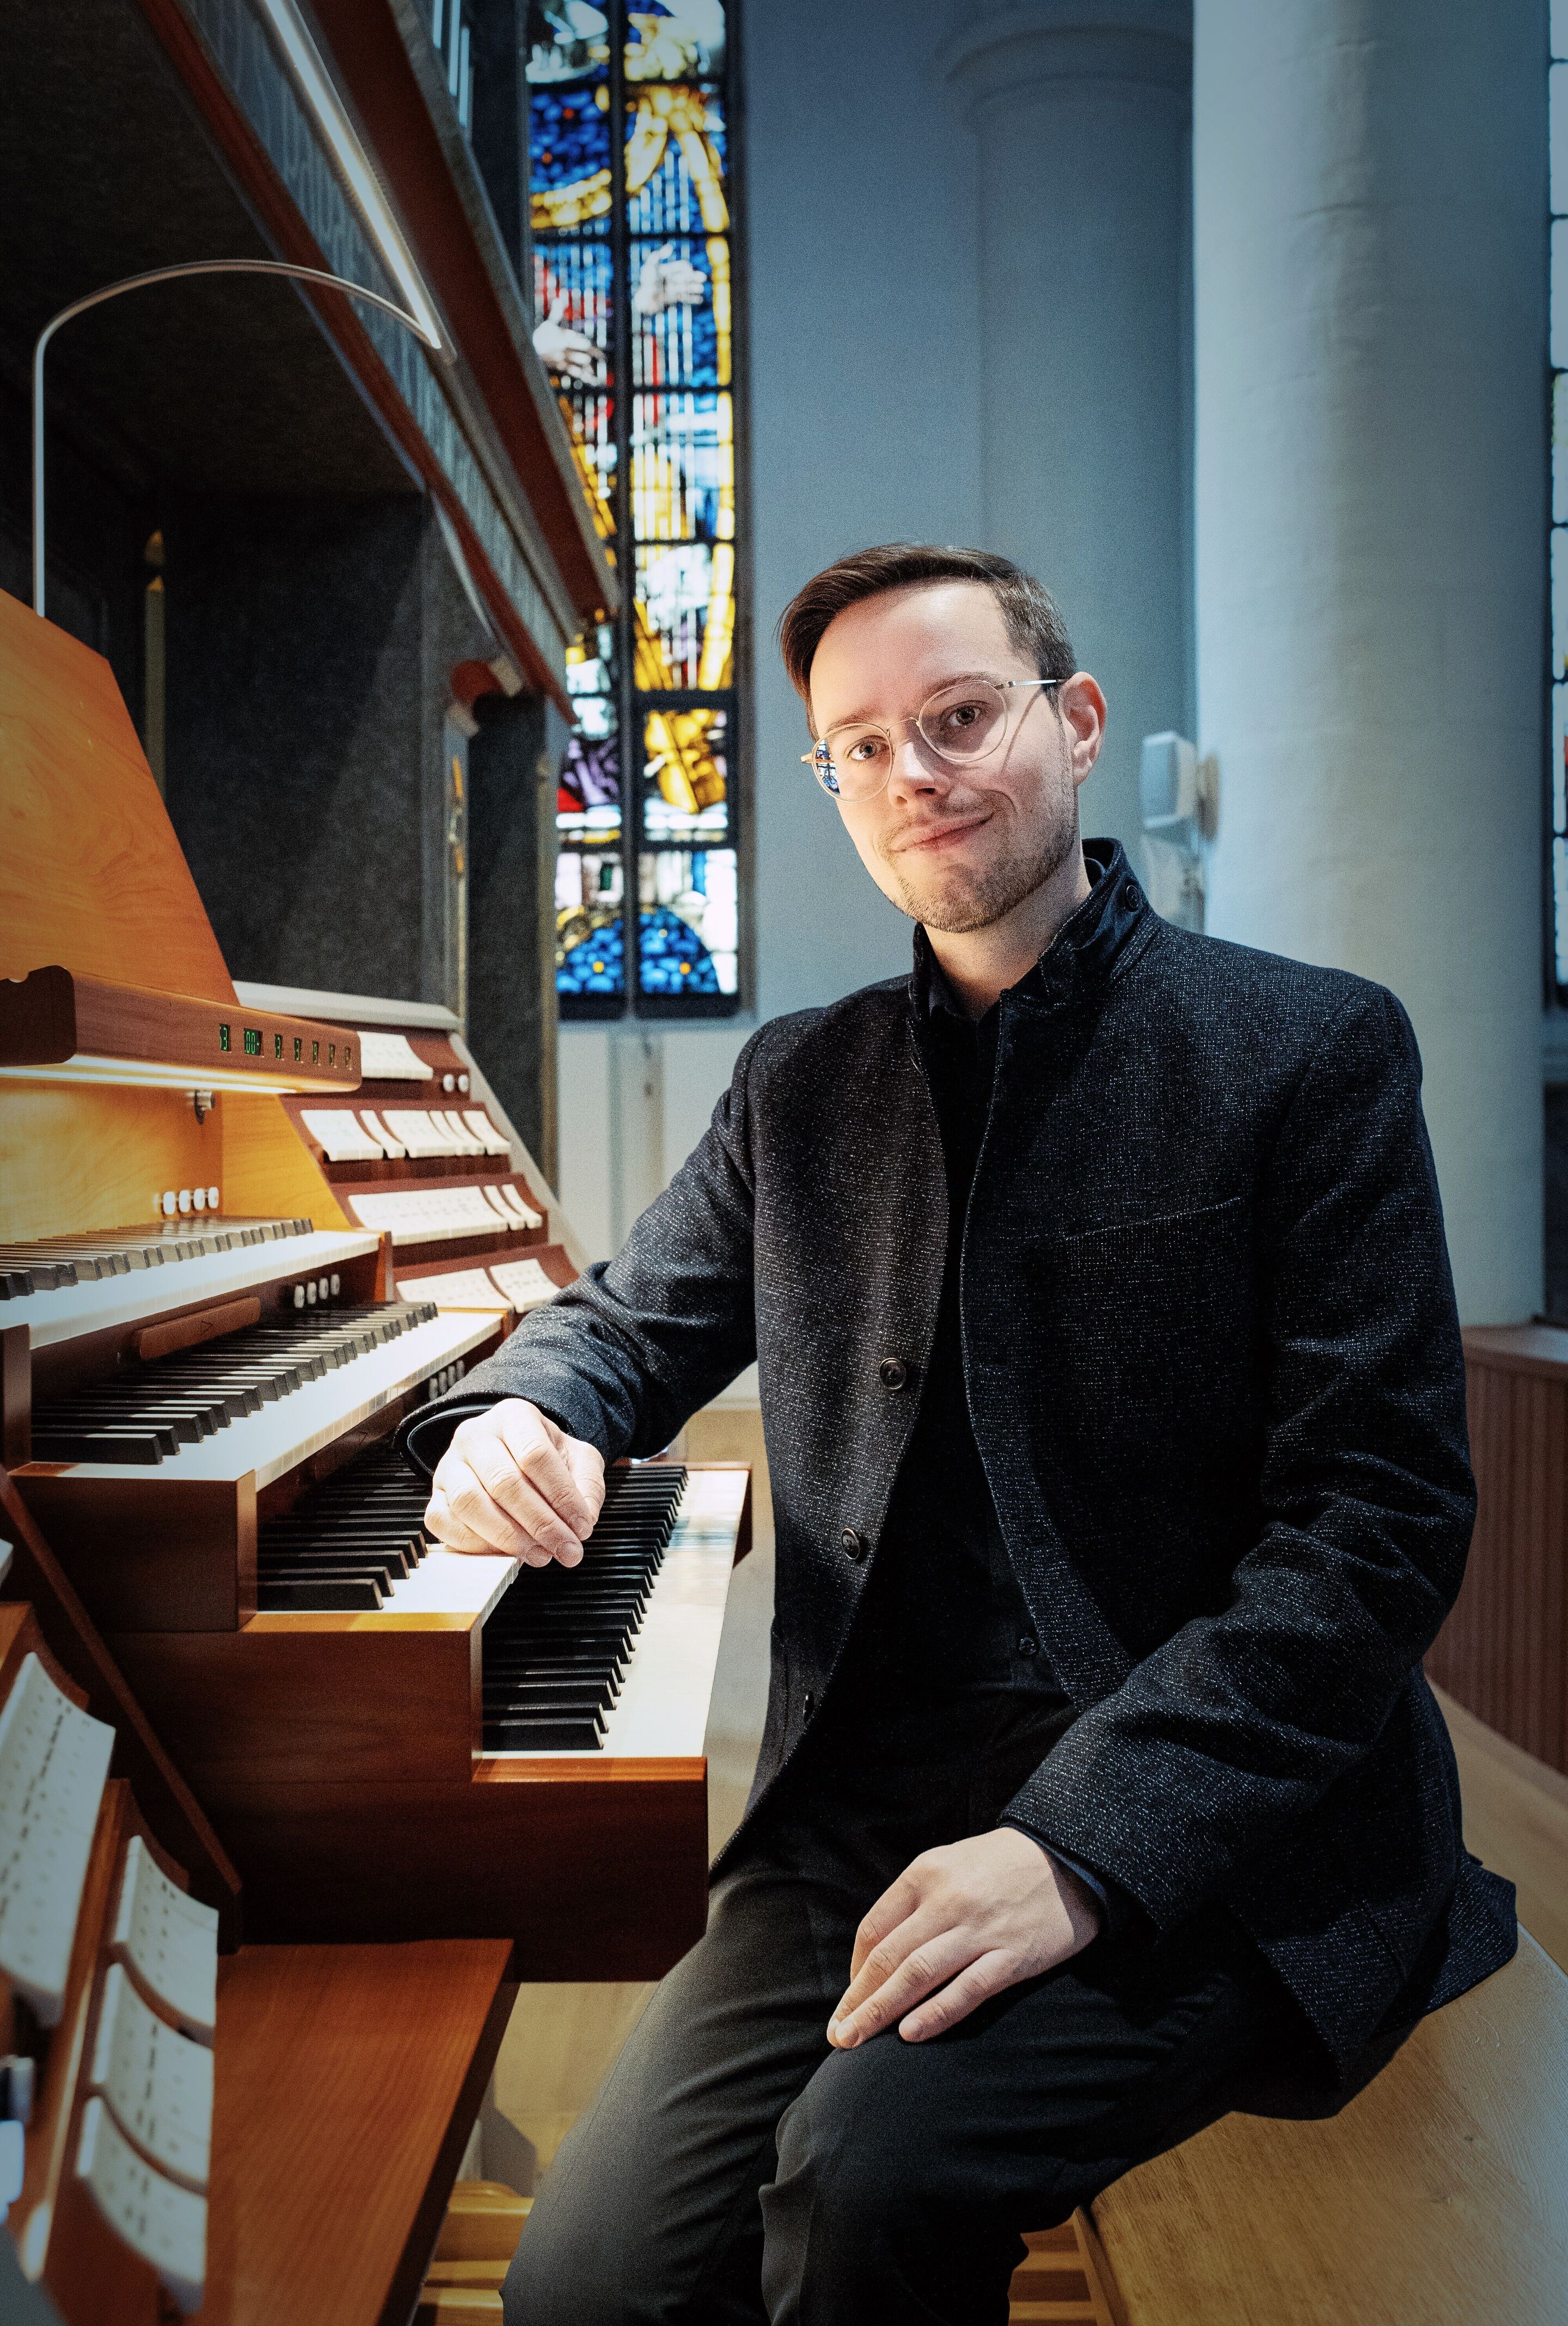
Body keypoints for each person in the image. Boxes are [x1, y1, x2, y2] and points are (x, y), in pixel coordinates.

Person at [397, 544, 1516, 2325]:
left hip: (1210, 1804)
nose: (912, 771)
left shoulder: (1304, 1052)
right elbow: (629, 1320)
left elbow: (1375, 1528)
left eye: (960, 717)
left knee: (864, 2193)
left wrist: (1084, 1844)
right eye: (860, 747)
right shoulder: (803, 1082)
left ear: (1073, 727)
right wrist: (531, 1405)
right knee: (586, 2294)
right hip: (868, 1801)